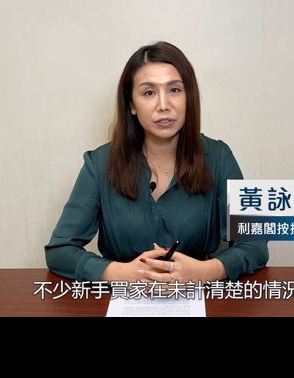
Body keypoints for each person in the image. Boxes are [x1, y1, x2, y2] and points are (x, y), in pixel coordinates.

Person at [45, 41, 269, 283]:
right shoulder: (99, 164)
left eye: (174, 90)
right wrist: (122, 273)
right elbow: (60, 250)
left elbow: (255, 244)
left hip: (200, 293)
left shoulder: (219, 157)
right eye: (149, 93)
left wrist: (206, 271)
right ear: (131, 104)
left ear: (189, 98)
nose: (164, 105)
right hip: (124, 295)